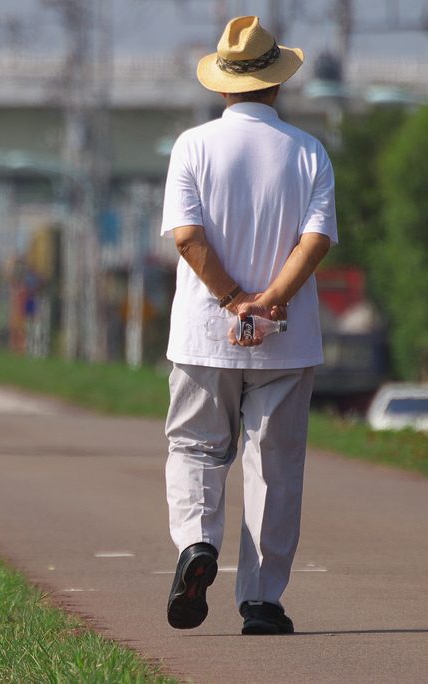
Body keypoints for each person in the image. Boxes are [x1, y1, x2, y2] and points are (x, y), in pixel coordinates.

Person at [160, 16, 337, 636]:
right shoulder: (309, 152)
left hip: (204, 335)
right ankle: (261, 602)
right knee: (275, 465)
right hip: (287, 339)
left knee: (196, 449)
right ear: (276, 82)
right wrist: (270, 299)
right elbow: (316, 240)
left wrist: (233, 298)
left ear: (224, 84)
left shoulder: (192, 146)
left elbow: (187, 237)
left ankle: (197, 546)